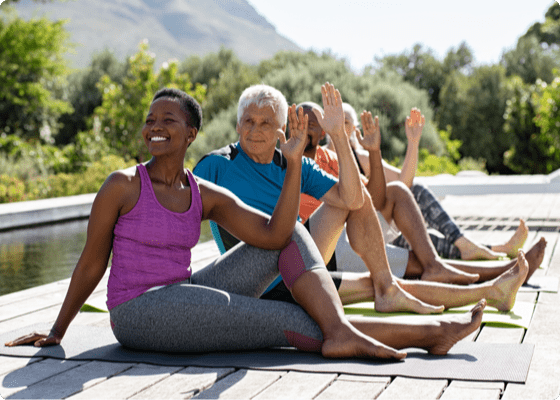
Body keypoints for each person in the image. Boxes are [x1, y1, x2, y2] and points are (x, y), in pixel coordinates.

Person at [5, 87, 494, 360]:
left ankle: (395, 331)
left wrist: (296, 161)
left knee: (294, 233)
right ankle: (427, 332)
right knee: (289, 321)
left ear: (191, 132)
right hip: (138, 313)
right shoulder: (122, 185)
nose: (155, 126)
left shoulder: (204, 193)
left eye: (169, 120)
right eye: (151, 119)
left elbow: (276, 237)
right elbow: (92, 264)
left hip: (188, 293)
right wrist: (57, 329)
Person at [194, 83, 531, 312]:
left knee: (354, 207)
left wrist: (340, 134)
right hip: (260, 277)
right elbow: (182, 214)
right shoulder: (215, 165)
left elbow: (353, 198)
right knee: (379, 284)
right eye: (248, 121)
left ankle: (478, 290)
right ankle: (481, 290)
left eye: (265, 123)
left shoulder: (292, 161)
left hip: (298, 263)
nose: (254, 130)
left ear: (282, 130)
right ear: (237, 126)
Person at [300, 101, 546, 284]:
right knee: (420, 257)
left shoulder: (337, 158)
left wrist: (378, 150)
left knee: (404, 203)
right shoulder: (290, 164)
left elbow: (377, 196)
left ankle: (493, 259)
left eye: (343, 124)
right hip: (330, 245)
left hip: (357, 230)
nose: (338, 129)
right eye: (303, 125)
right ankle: (506, 268)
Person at [331, 104, 529, 261]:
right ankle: (485, 246)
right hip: (354, 234)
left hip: (380, 226)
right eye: (336, 120)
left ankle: (494, 247)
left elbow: (404, 184)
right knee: (428, 241)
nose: (340, 126)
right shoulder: (323, 158)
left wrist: (413, 142)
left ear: (354, 129)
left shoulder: (362, 157)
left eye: (346, 122)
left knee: (428, 232)